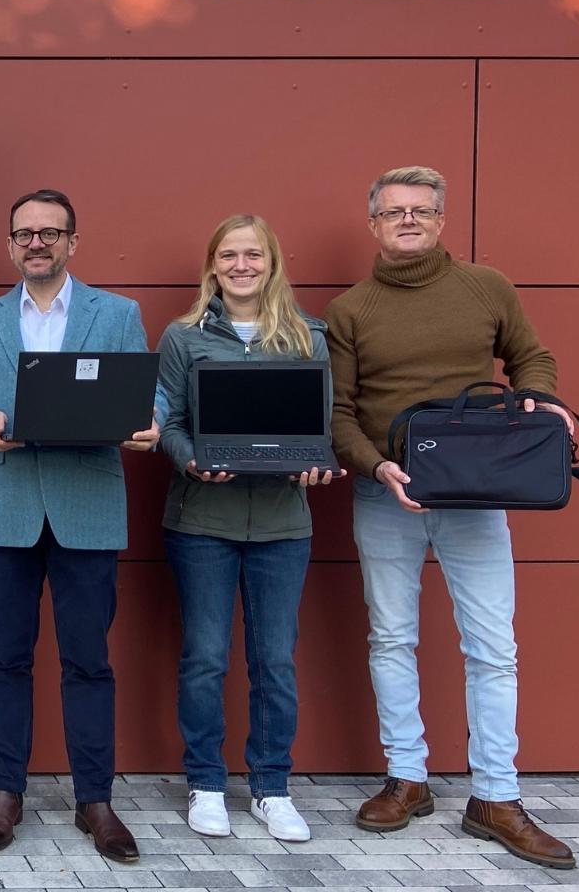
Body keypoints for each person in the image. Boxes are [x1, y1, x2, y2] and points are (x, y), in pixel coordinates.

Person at [328, 166, 575, 869]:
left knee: (493, 647)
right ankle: (407, 779)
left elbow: (531, 354)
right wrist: (378, 466)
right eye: (395, 211)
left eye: (422, 210)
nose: (409, 220)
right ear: (373, 224)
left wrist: (536, 397)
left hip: (477, 496)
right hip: (386, 495)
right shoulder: (350, 311)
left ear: (441, 220)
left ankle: (496, 796)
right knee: (392, 638)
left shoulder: (486, 287)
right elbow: (339, 413)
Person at [0, 188, 159, 862]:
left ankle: (95, 800)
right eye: (25, 233)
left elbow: (151, 394)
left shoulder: (117, 314)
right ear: (10, 245)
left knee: (88, 662)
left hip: (87, 507)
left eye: (50, 233)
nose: (37, 243)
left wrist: (155, 424)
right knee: (5, 658)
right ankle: (7, 792)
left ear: (72, 242)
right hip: (6, 507)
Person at [154, 215, 341, 844]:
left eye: (253, 255)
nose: (241, 265)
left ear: (272, 262)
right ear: (212, 266)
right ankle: (206, 782)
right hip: (202, 521)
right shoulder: (184, 338)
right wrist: (188, 459)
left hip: (284, 526)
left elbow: (321, 427)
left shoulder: (309, 336)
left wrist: (319, 466)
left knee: (274, 662)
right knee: (205, 659)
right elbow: (169, 421)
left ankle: (271, 788)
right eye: (228, 255)